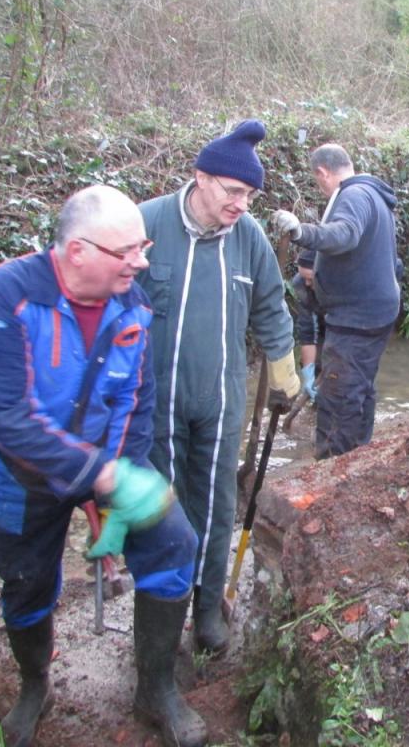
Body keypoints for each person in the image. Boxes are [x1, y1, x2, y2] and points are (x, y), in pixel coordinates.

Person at [0, 184, 206, 747]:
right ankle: (35, 684)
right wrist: (101, 474)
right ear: (79, 252)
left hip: (106, 462)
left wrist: (122, 480)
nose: (141, 261)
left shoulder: (132, 305)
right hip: (15, 478)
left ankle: (156, 690)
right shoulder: (6, 296)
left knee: (173, 543)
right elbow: (6, 416)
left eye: (142, 247)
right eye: (129, 252)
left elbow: (135, 401)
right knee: (25, 584)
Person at [139, 119, 301, 654]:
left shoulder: (248, 238)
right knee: (162, 509)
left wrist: (283, 370)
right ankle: (164, 609)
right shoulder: (147, 224)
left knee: (215, 504)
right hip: (155, 401)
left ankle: (208, 608)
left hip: (222, 398)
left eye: (251, 195)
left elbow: (272, 309)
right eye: (234, 191)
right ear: (201, 178)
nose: (242, 205)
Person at [270, 144, 400, 458]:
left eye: (318, 181)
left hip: (358, 316)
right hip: (372, 310)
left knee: (338, 397)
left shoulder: (354, 196)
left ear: (322, 173)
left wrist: (301, 232)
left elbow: (344, 234)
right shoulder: (371, 195)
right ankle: (359, 454)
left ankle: (331, 469)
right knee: (360, 388)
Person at [292, 247, 324, 400]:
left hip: (345, 322)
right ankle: (316, 400)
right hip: (322, 321)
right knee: (316, 364)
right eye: (303, 277)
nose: (307, 283)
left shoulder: (341, 281)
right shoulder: (301, 285)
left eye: (311, 279)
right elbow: (307, 332)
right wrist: (308, 374)